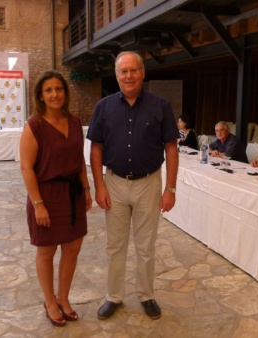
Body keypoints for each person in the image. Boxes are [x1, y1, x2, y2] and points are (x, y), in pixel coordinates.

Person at [87, 51, 179, 320]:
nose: (128, 76)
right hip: (113, 182)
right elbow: (95, 149)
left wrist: (170, 188)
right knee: (115, 245)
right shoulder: (103, 107)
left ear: (143, 73)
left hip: (149, 184)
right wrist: (99, 186)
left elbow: (171, 148)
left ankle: (146, 295)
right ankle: (114, 296)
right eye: (123, 71)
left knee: (146, 245)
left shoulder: (160, 106)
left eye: (133, 70)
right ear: (116, 76)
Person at [20, 70, 92, 327]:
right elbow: (27, 168)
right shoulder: (35, 125)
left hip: (72, 194)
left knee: (72, 248)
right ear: (40, 95)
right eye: (48, 90)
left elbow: (79, 161)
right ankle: (50, 300)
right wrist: (38, 204)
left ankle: (64, 297)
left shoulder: (74, 122)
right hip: (46, 195)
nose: (54, 94)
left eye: (58, 89)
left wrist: (86, 189)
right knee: (47, 251)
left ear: (65, 92)